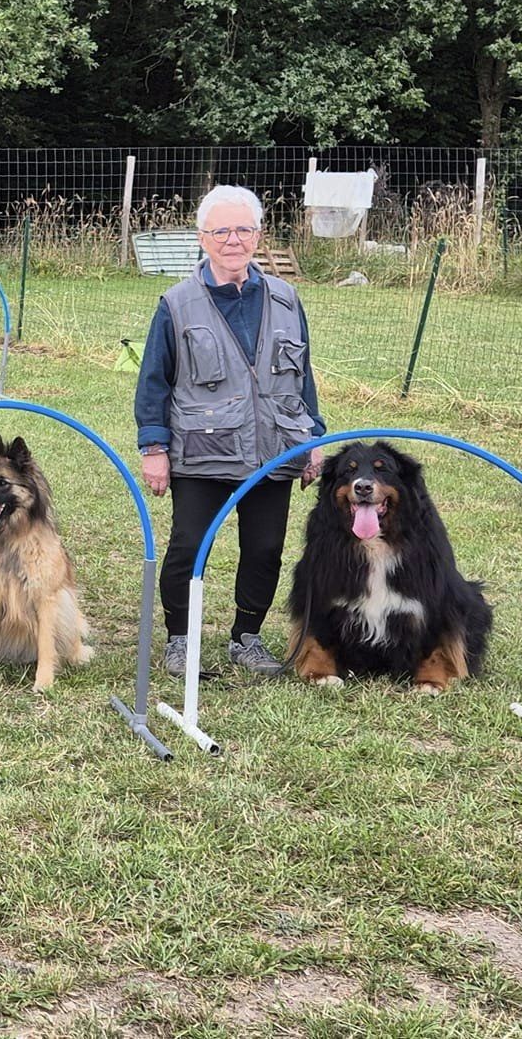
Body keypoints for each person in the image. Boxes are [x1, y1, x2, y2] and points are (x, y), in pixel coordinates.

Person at [136, 184, 325, 677]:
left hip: (274, 451)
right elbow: (153, 381)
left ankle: (247, 637)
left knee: (264, 550)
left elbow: (302, 378)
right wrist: (154, 447)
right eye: (222, 230)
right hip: (202, 451)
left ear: (259, 236)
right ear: (202, 238)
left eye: (243, 229)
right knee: (188, 546)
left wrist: (314, 440)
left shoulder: (286, 299)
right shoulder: (176, 304)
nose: (233, 239)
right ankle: (180, 640)